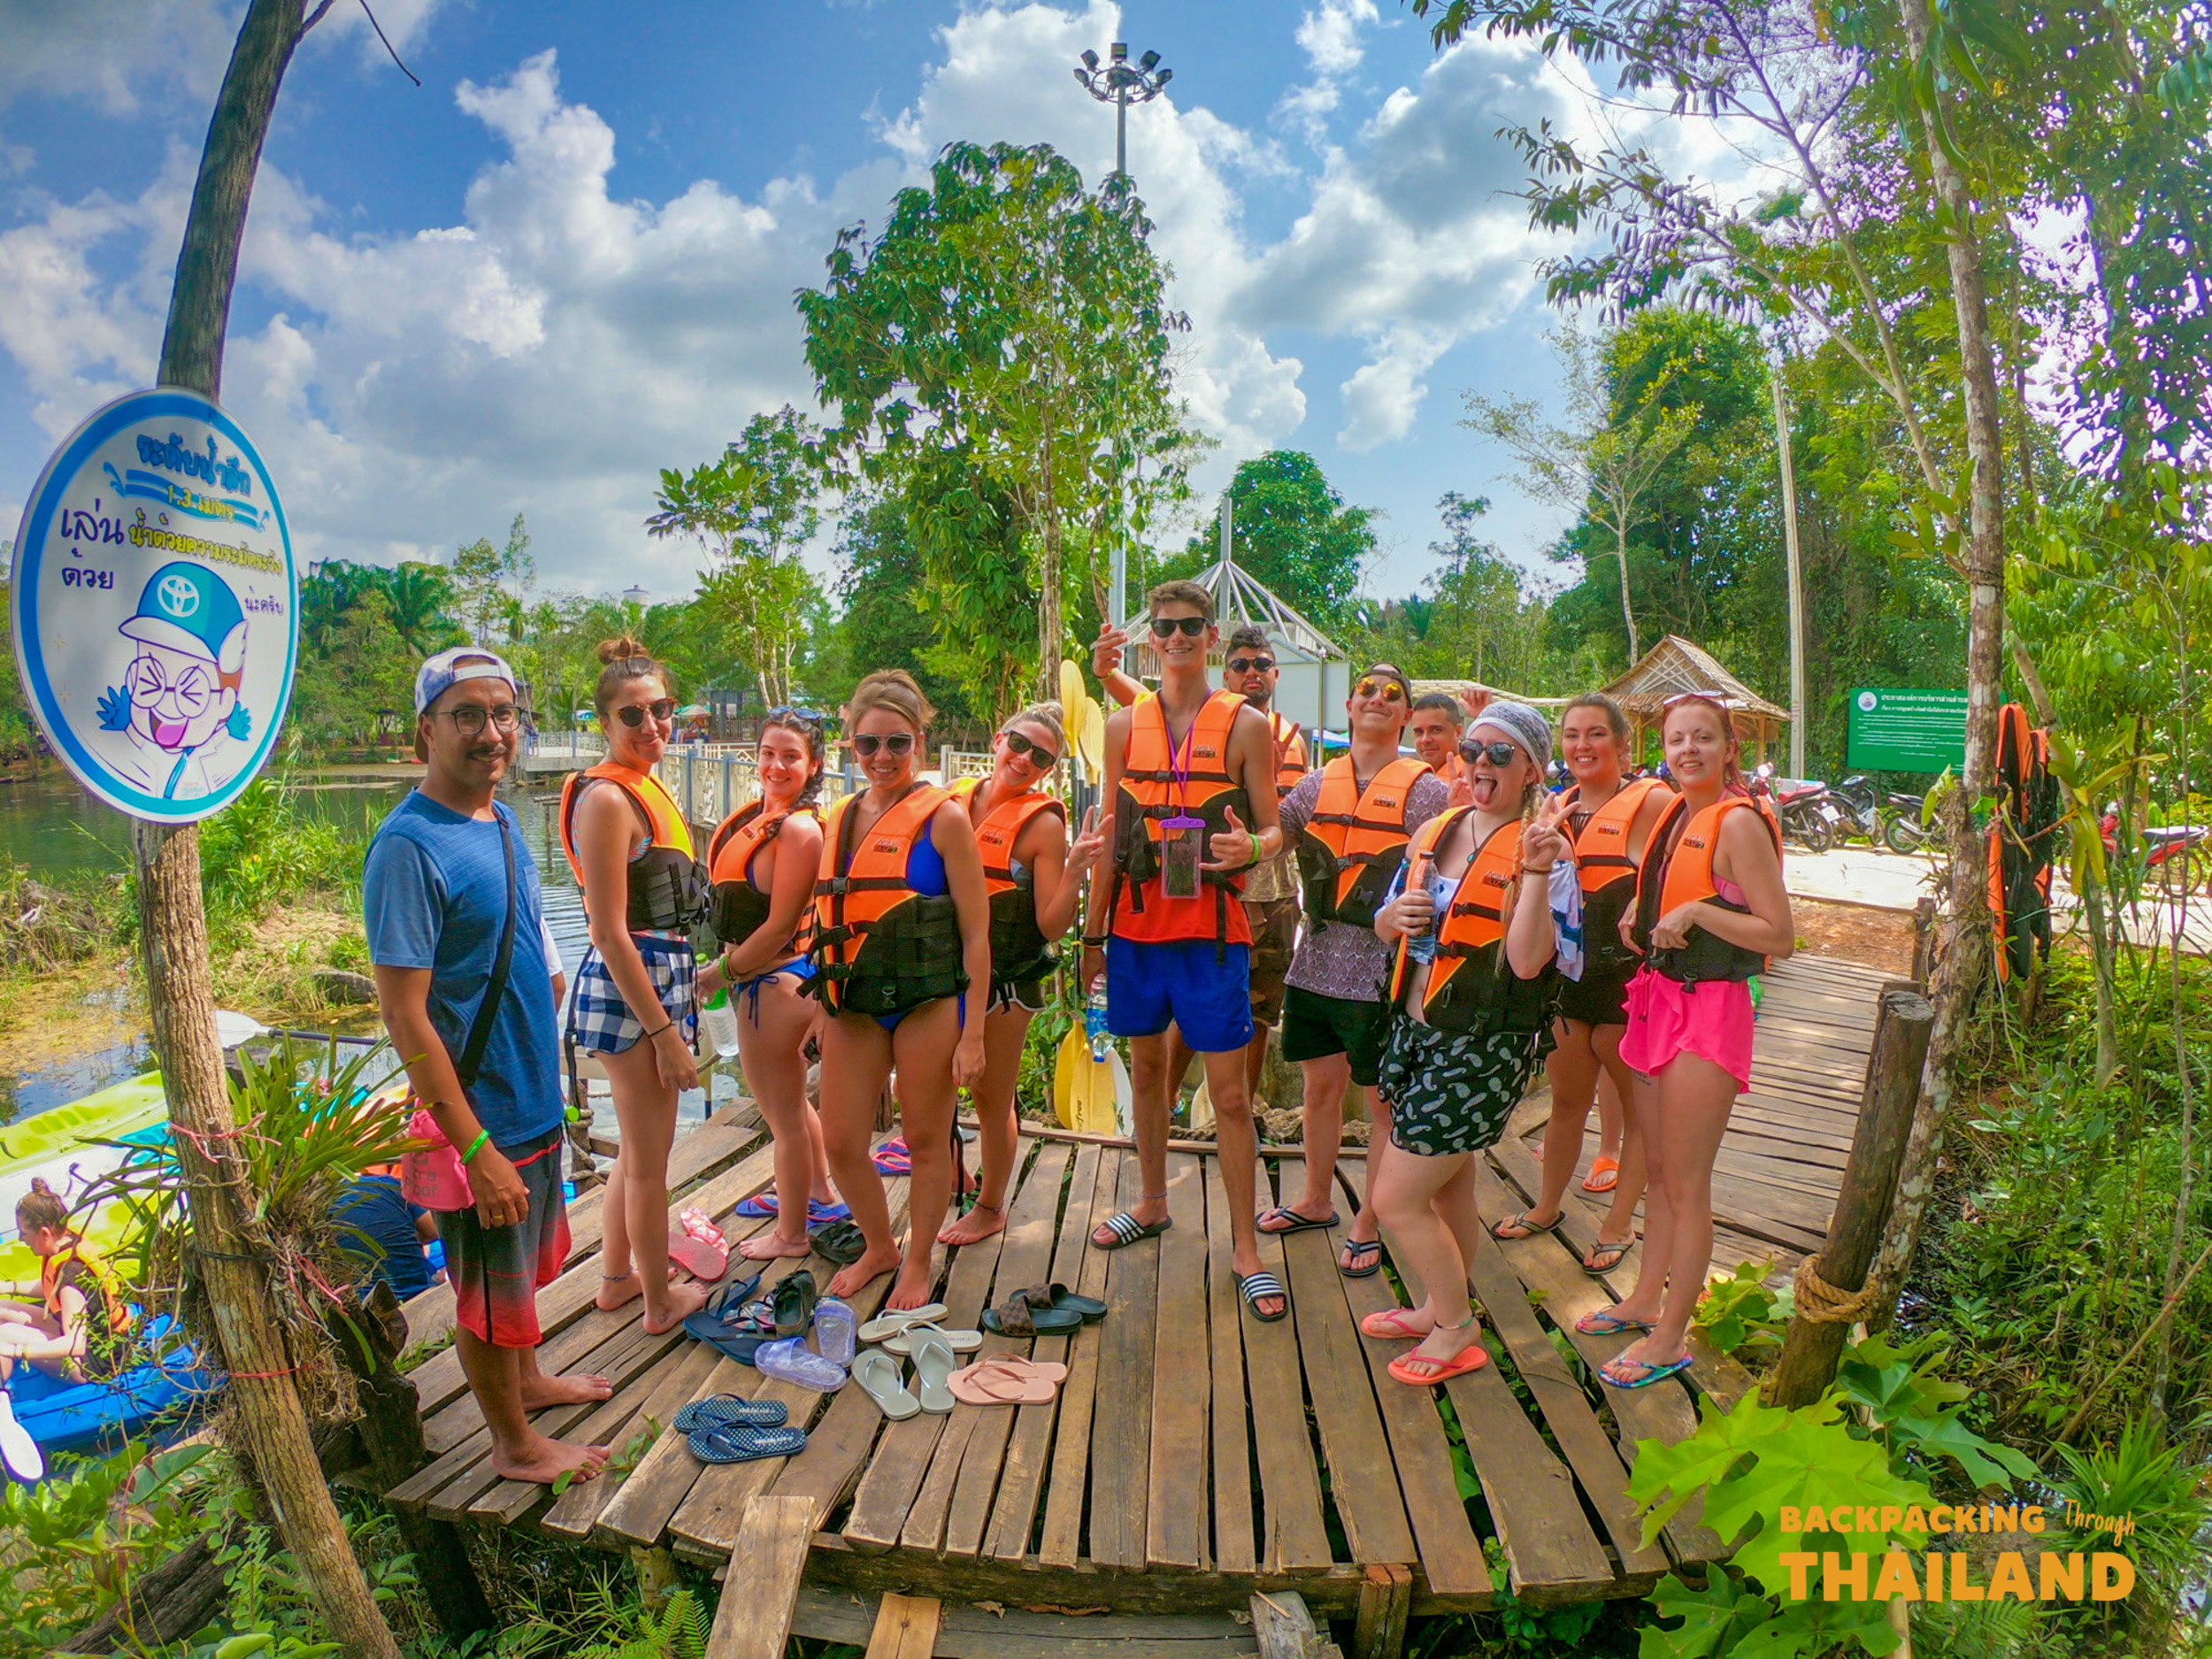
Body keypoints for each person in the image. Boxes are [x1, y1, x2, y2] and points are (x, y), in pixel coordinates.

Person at [367, 647, 611, 1486]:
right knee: (482, 1291)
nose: (490, 732)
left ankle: (530, 1381)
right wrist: (473, 1147)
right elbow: (403, 1014)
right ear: (424, 731)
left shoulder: (501, 820)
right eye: (466, 715)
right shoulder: (408, 847)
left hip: (530, 1096)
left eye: (502, 713)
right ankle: (512, 1444)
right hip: (475, 1116)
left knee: (521, 1272)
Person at [1083, 582, 1290, 1322]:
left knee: (1231, 1096)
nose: (1176, 637)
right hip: (1137, 931)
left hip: (1212, 933)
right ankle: (1151, 1200)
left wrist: (1253, 845)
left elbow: (1276, 828)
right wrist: (1091, 933)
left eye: (1190, 626)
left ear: (1210, 635)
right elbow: (1111, 836)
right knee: (1145, 1073)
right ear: (1151, 641)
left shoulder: (1245, 725)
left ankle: (1245, 1248)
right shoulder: (1119, 725)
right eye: (1164, 627)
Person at [1585, 692, 1793, 1390]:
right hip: (1656, 998)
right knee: (1661, 1172)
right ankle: (1646, 1299)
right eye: (1677, 739)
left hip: (1710, 1008)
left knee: (1689, 1181)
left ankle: (1671, 1336)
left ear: (1729, 746)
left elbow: (1780, 936)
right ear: (1663, 747)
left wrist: (1701, 910)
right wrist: (1640, 922)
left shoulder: (1738, 825)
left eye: (1704, 738)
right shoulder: (1676, 814)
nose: (1689, 750)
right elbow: (1663, 898)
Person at [1366, 703, 1569, 1386]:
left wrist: (1537, 872)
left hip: (1481, 1046)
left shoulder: (1543, 848)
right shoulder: (1437, 828)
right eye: (1475, 749)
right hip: (1415, 1028)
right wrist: (1393, 916)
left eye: (1502, 754)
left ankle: (1457, 1324)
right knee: (1450, 1185)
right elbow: (1385, 920)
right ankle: (1435, 1303)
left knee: (1395, 1199)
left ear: (1532, 769)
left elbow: (1530, 960)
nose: (1482, 764)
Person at [810, 671, 992, 1308]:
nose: (882, 758)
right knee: (838, 1140)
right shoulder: (837, 819)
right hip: (854, 1005)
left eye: (897, 743)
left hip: (927, 1002)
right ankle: (878, 1242)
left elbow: (976, 935)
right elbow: (827, 920)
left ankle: (917, 1258)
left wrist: (972, 1035)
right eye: (868, 745)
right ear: (849, 745)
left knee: (922, 1137)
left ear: (920, 740)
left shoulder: (945, 820)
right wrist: (816, 1007)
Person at [1263, 664, 1450, 1278]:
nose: (1378, 698)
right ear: (1348, 704)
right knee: (1320, 1092)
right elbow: (1277, 835)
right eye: (1368, 689)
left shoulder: (1425, 791)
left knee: (1379, 1103)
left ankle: (1369, 1217)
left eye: (1393, 693)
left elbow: (1444, 873)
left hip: (1379, 970)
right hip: (1314, 957)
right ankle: (1317, 1199)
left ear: (1404, 715)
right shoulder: (1319, 783)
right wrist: (1247, 846)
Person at [559, 638, 714, 1334]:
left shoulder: (647, 786)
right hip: (634, 986)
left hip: (661, 975)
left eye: (661, 709)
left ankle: (617, 1280)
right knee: (652, 1165)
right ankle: (659, 1303)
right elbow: (608, 931)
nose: (652, 725)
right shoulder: (606, 799)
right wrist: (663, 1036)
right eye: (633, 715)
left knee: (637, 1149)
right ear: (605, 723)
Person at [1488, 695, 1671, 1273]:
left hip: (1626, 984)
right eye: (1572, 734)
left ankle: (1619, 1225)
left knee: (1639, 1116)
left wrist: (1648, 896)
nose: (1583, 745)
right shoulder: (1553, 811)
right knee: (1567, 1102)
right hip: (1568, 984)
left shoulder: (1655, 803)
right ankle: (1546, 1205)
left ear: (1624, 745)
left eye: (1596, 734)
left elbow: (1689, 872)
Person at [1091, 621, 1306, 1115]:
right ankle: (1162, 1109)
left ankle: (1239, 1113)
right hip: (1217, 894)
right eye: (1241, 665)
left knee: (1257, 1013)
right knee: (1187, 1015)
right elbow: (1148, 702)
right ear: (1224, 675)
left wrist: (1260, 836)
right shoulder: (1201, 721)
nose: (1253, 674)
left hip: (1273, 889)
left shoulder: (1286, 735)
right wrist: (1106, 673)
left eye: (1263, 665)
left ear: (1276, 674)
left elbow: (1283, 821)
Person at [940, 703, 1105, 1247]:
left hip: (1007, 981)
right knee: (928, 1087)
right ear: (997, 738)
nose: (1024, 759)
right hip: (943, 974)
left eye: (1041, 756)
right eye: (1019, 743)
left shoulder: (1043, 825)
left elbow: (1051, 926)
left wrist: (1078, 868)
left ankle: (990, 1206)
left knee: (992, 1097)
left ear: (1048, 769)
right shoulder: (952, 801)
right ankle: (953, 1176)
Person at [698, 708, 836, 1261]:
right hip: (762, 981)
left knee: (783, 1121)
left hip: (773, 985)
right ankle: (819, 1194)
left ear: (815, 765)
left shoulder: (799, 830)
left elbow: (780, 925)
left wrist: (721, 972)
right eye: (768, 753)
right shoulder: (761, 818)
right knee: (793, 1107)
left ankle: (792, 1235)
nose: (776, 766)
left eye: (791, 757)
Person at [0, 1177, 135, 1384]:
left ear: (44, 1233)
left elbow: (75, 1345)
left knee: (6, 1334)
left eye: (24, 1233)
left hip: (94, 1363)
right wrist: (8, 1287)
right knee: (3, 1308)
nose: (21, 1239)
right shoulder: (66, 1241)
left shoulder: (72, 1274)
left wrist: (16, 1350)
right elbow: (52, 1285)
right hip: (90, 1339)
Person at [1409, 694, 1467, 795]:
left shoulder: (1472, 777)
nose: (1425, 739)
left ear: (1458, 732)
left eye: (1436, 730)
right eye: (1419, 732)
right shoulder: (1411, 779)